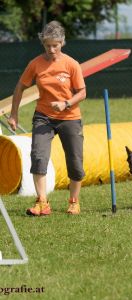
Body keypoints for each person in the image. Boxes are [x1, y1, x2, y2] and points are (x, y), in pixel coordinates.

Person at [7, 21, 86, 216]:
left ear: (62, 43)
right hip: (43, 117)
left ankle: (74, 201)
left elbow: (82, 92)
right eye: (47, 45)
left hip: (70, 117)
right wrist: (14, 114)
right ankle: (42, 202)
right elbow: (20, 88)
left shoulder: (71, 64)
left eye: (55, 45)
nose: (51, 49)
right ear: (43, 44)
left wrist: (66, 103)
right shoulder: (35, 64)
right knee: (39, 156)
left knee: (75, 161)